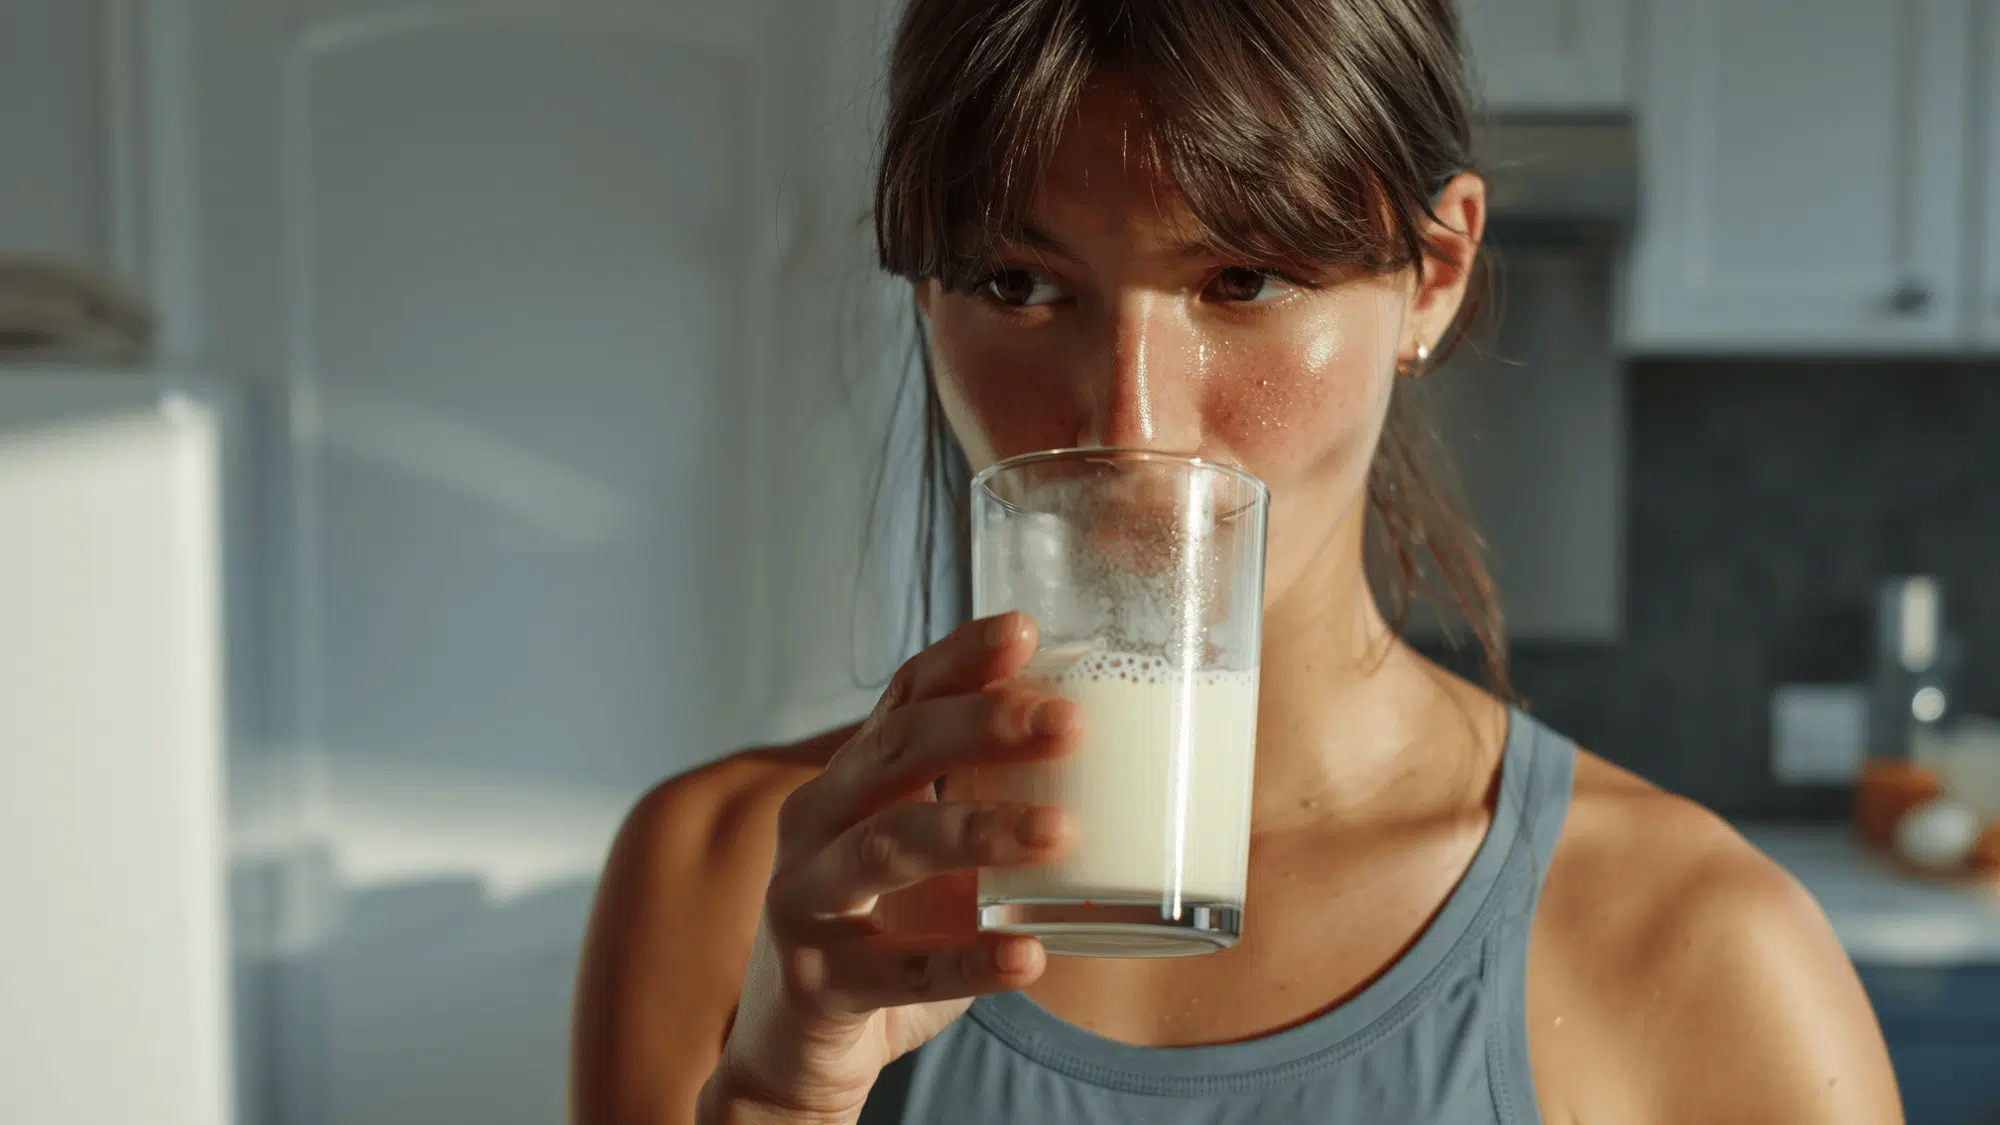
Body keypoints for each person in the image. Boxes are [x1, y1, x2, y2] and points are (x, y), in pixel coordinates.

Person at [570, 1, 1901, 1122]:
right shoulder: (731, 882)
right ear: (929, 297)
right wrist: (773, 1103)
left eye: (1245, 280)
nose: (1129, 426)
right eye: (1021, 285)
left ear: (1434, 274)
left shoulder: (1705, 955)